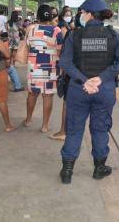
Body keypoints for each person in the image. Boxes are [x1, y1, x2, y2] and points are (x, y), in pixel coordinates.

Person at [58, 0, 119, 184]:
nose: (80, 15)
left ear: (89, 14)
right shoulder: (114, 36)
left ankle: (67, 171)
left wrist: (84, 80)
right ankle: (99, 168)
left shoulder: (74, 35)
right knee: (100, 129)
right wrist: (101, 78)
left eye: (82, 12)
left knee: (74, 129)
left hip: (78, 88)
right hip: (104, 89)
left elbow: (65, 63)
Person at [23, 4, 63, 133]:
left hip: (34, 66)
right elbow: (61, 49)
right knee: (47, 96)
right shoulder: (57, 31)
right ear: (51, 16)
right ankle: (45, 126)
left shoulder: (31, 30)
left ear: (37, 16)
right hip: (50, 67)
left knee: (32, 94)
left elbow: (28, 46)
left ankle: (28, 120)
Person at [49, 8, 74, 141]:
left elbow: (64, 50)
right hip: (84, 74)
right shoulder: (70, 28)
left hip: (71, 71)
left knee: (67, 102)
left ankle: (63, 131)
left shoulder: (63, 28)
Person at [6, 10, 24, 92]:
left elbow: (6, 30)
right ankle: (12, 66)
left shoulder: (8, 22)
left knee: (9, 54)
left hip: (9, 40)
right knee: (14, 55)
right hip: (16, 39)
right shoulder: (17, 23)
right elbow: (21, 29)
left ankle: (10, 66)